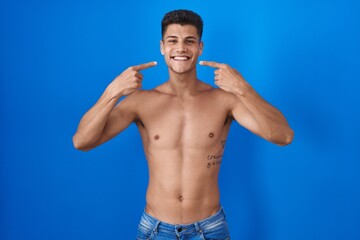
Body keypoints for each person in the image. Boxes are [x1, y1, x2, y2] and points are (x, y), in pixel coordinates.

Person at [73, 9, 294, 240]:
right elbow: (82, 141)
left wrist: (243, 89)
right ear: (162, 47)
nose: (181, 48)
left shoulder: (224, 101)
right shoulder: (140, 102)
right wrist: (112, 91)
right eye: (173, 41)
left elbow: (283, 136)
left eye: (189, 41)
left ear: (200, 48)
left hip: (209, 229)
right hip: (155, 230)